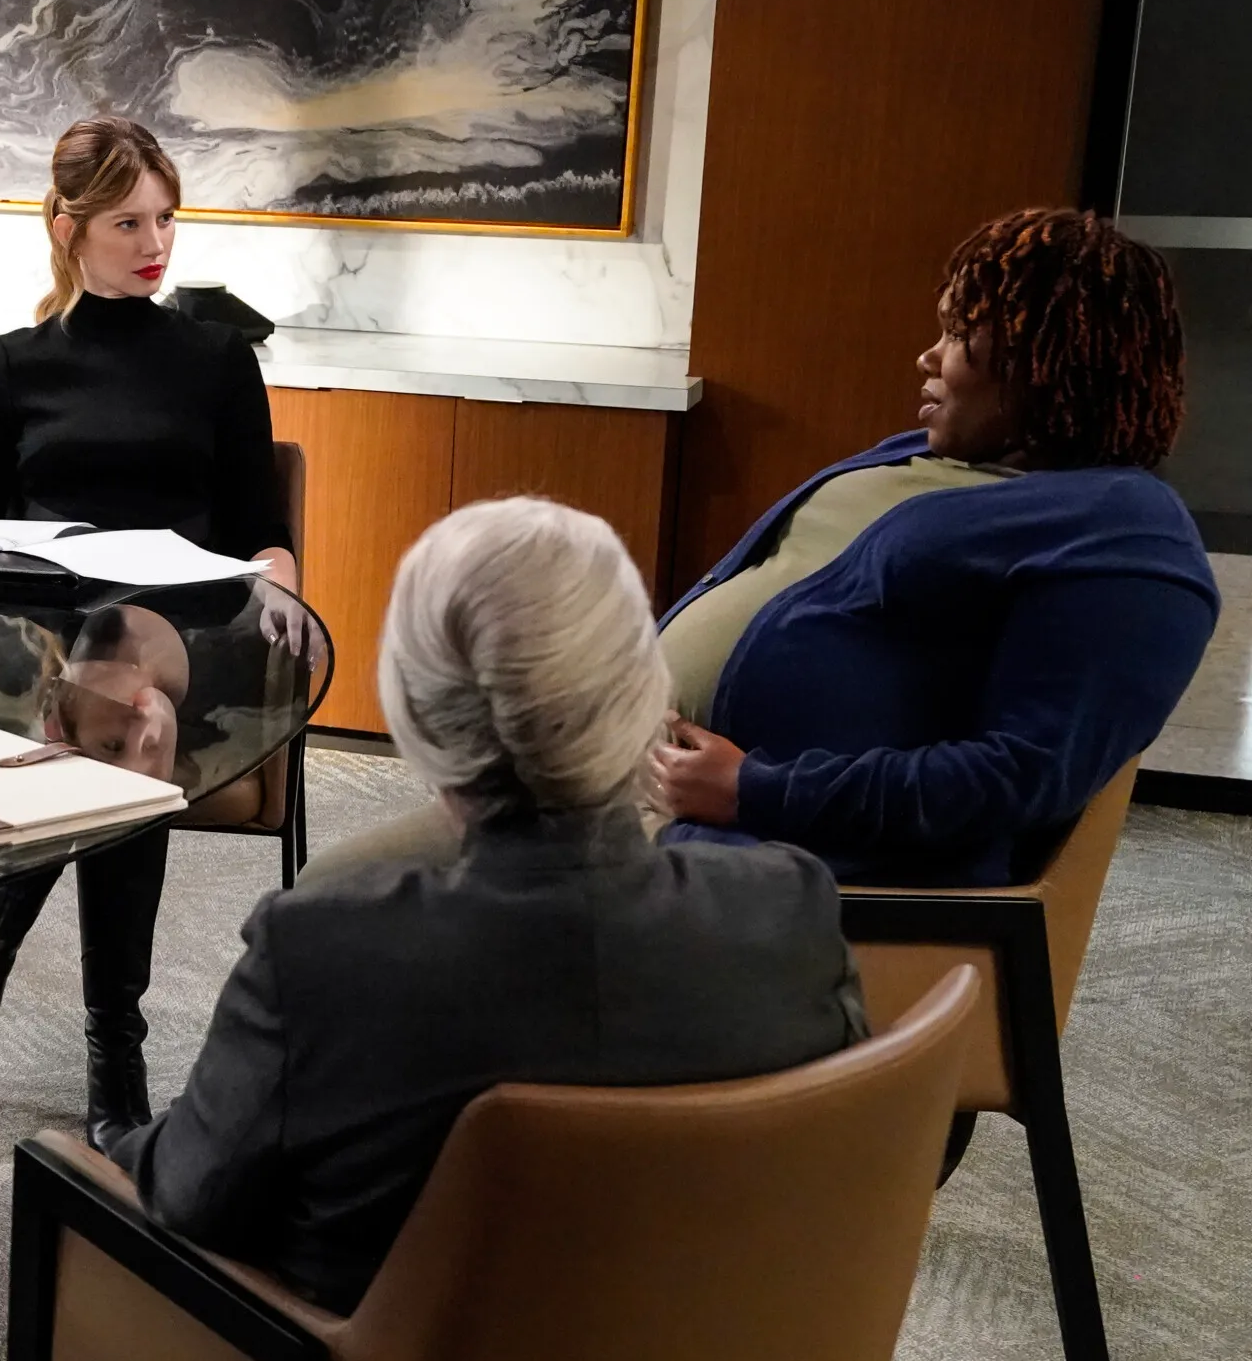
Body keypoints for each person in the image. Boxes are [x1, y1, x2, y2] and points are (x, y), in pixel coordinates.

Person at [111, 498, 865, 1314]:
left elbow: (188, 1200)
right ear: (644, 689)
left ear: (418, 718)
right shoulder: (791, 913)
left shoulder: (322, 958)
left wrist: (111, 1154)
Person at [654, 209, 1219, 886]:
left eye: (956, 333)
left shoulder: (1129, 536)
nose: (927, 356)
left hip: (794, 868)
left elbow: (1022, 774)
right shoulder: (925, 456)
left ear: (1042, 359)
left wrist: (755, 788)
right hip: (675, 807)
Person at [0, 115, 299, 1155]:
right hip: (52, 633)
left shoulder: (216, 359)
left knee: (124, 671)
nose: (155, 242)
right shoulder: (13, 364)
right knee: (112, 700)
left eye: (165, 218)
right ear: (67, 226)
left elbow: (263, 533)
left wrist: (281, 573)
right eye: (127, 221)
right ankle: (118, 1048)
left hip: (188, 626)